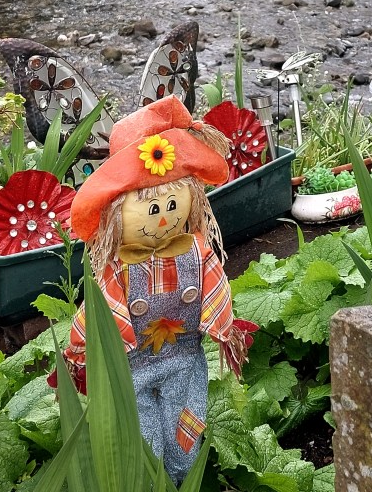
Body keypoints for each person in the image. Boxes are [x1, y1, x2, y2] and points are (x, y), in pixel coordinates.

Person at [53, 95, 253, 483]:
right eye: (151, 208)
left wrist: (223, 330)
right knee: (144, 442)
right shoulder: (117, 268)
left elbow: (216, 290)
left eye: (172, 205)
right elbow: (99, 312)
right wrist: (80, 353)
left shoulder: (197, 252)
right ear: (116, 215)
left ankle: (181, 481)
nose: (162, 219)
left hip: (184, 361)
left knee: (185, 439)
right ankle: (150, 482)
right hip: (132, 370)